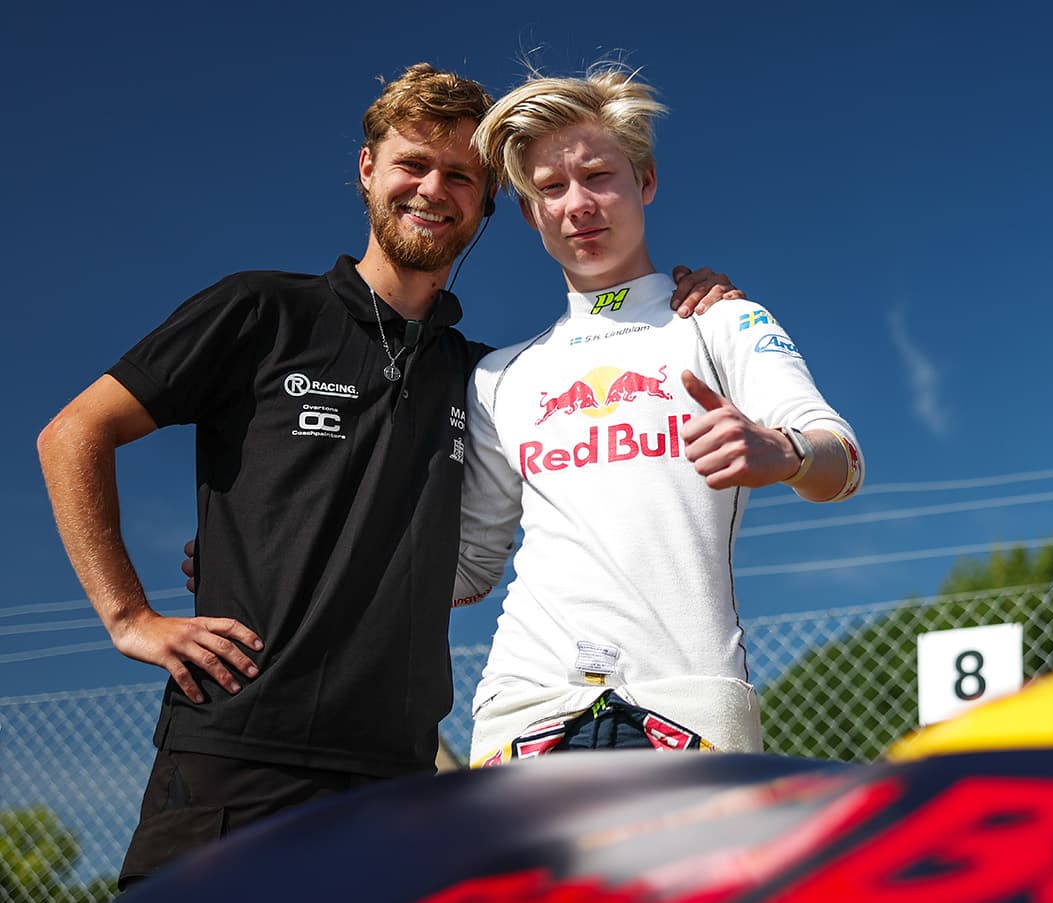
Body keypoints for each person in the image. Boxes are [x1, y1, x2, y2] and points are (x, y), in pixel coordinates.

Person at [35, 62, 738, 888]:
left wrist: (684, 299)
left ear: (482, 206)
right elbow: (74, 431)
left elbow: (477, 559)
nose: (432, 189)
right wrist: (128, 614)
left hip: (398, 781)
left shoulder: (484, 381)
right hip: (234, 759)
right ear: (368, 169)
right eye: (412, 163)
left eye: (460, 177)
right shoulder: (261, 311)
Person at [456, 65, 865, 766]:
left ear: (644, 180)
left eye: (598, 175)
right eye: (550, 188)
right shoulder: (500, 376)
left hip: (689, 707)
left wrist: (786, 451)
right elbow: (466, 568)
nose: (577, 204)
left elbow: (844, 462)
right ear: (530, 213)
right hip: (522, 711)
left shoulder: (722, 322)